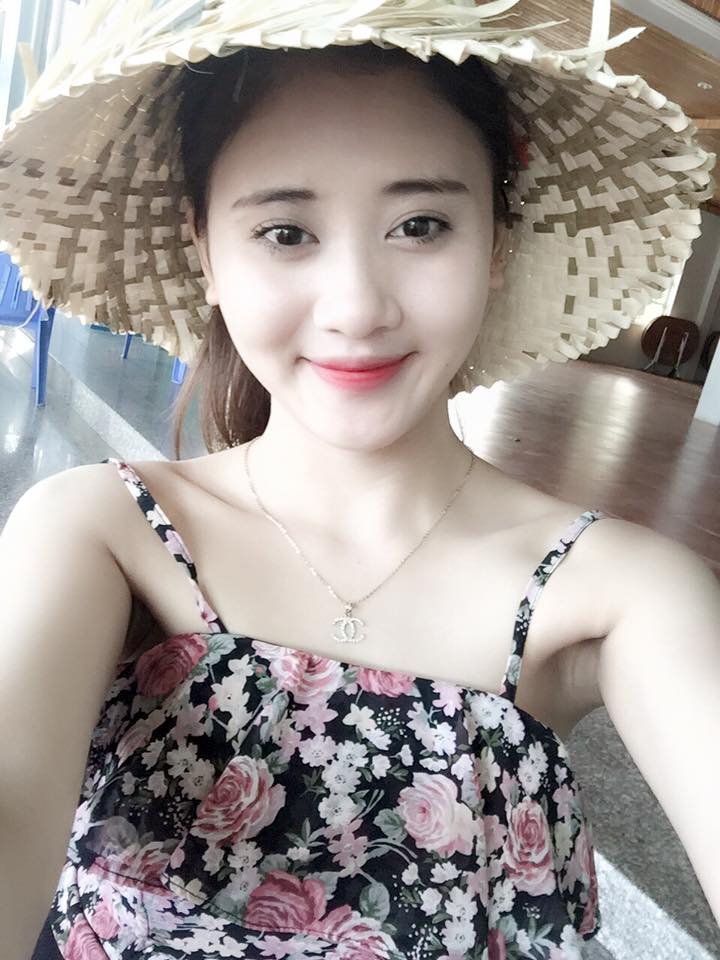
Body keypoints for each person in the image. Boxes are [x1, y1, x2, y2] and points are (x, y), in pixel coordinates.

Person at [0, 2, 718, 959]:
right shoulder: (100, 528)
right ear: (204, 251)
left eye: (420, 225)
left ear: (497, 244)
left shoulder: (618, 594)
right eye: (285, 232)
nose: (355, 308)